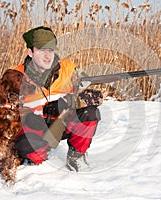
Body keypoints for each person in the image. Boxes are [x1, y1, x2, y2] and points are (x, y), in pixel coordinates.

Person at [11, 26, 102, 172]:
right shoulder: (15, 76)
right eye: (42, 50)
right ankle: (40, 156)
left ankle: (76, 156)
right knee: (27, 147)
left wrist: (67, 102)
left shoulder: (68, 68)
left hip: (63, 123)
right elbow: (3, 108)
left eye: (51, 50)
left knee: (90, 113)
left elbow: (96, 96)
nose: (48, 56)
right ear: (30, 52)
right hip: (35, 128)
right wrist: (27, 116)